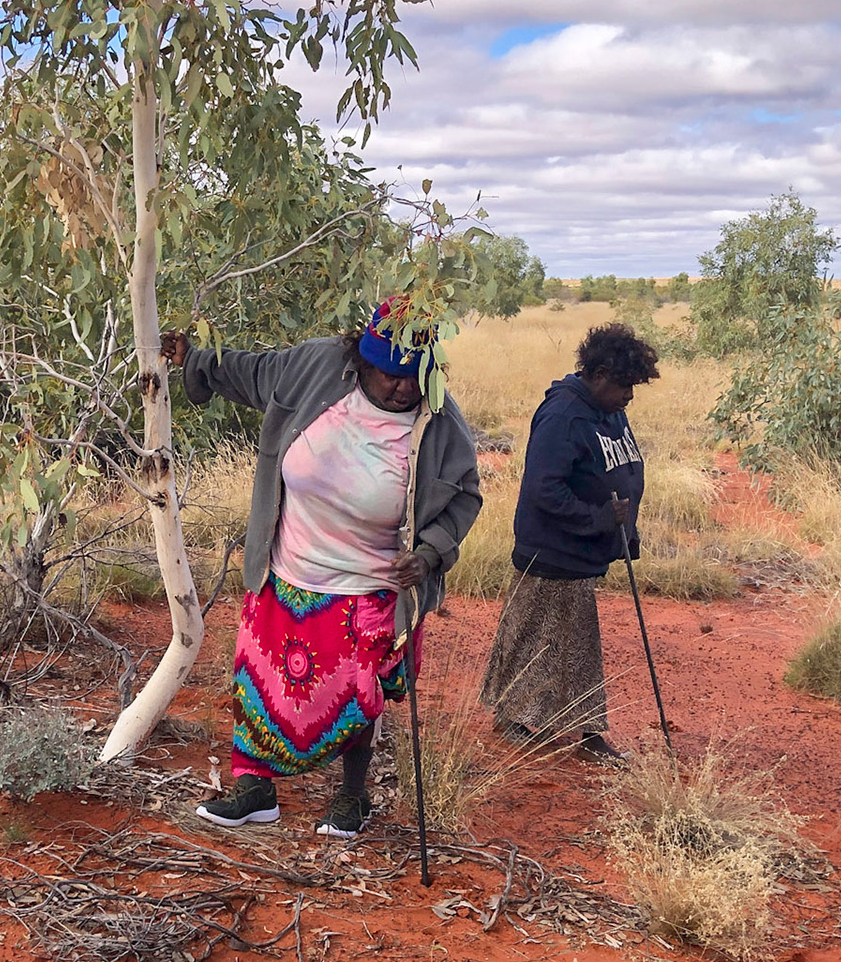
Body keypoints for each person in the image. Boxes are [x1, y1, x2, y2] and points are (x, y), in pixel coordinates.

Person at [166, 300, 482, 836]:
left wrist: (429, 553)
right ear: (362, 359)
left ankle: (353, 795)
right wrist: (194, 358)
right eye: (390, 374)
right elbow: (253, 372)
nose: (402, 387)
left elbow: (464, 497)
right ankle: (255, 789)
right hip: (286, 571)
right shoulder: (316, 367)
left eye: (414, 376)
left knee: (358, 697)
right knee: (259, 685)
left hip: (370, 586)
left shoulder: (440, 422)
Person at [480, 321, 660, 761]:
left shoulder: (610, 411)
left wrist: (624, 531)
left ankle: (568, 726)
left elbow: (620, 471)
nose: (629, 395)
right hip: (552, 551)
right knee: (538, 637)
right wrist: (599, 519)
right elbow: (544, 489)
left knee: (565, 642)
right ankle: (542, 723)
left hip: (584, 551)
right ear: (599, 375)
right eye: (624, 385)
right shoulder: (563, 415)